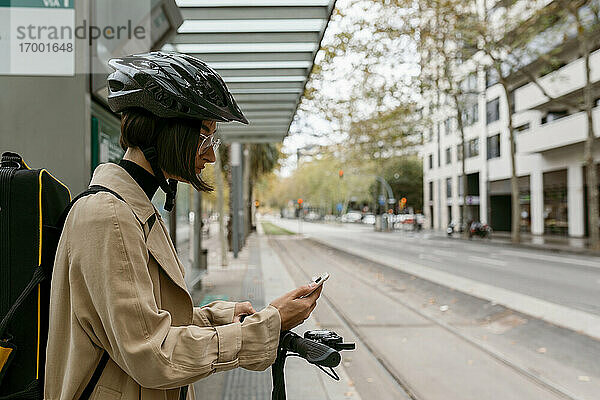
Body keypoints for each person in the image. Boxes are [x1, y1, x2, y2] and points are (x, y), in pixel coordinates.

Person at [44, 52, 322, 399]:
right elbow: (153, 353)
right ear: (169, 130)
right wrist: (268, 326)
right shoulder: (109, 217)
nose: (210, 155)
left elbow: (149, 322)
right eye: (206, 135)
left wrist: (224, 317)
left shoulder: (136, 211)